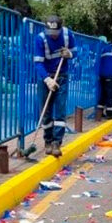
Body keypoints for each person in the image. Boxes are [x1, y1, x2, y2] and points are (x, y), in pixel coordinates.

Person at [34, 15, 77, 157]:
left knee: (60, 110)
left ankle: (57, 142)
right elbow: (38, 62)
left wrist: (70, 54)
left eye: (55, 33)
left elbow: (75, 51)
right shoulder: (40, 38)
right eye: (50, 33)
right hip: (46, 76)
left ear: (60, 30)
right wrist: (47, 79)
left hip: (62, 75)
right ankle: (48, 140)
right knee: (45, 110)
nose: (53, 36)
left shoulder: (66, 34)